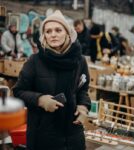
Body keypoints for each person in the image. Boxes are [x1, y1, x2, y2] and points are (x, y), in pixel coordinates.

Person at [13, 10, 91, 150]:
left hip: (72, 131)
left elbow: (83, 89)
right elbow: (19, 91)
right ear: (44, 36)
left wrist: (83, 107)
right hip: (43, 132)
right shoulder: (34, 61)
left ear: (67, 33)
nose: (53, 34)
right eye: (48, 31)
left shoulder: (79, 61)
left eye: (58, 30)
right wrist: (40, 100)